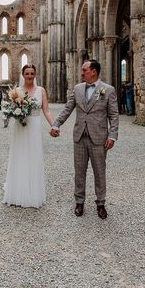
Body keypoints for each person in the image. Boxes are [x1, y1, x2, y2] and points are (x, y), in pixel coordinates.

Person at [51, 60, 119, 219]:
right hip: (80, 137)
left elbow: (114, 116)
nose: (82, 73)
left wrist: (112, 135)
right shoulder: (77, 88)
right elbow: (68, 109)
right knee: (79, 171)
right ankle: (79, 202)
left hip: (99, 138)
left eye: (84, 70)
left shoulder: (108, 90)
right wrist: (56, 124)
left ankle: (101, 203)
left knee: (100, 172)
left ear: (94, 71)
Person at [3, 64, 55, 208]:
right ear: (23, 74)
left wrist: (54, 125)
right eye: (27, 73)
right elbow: (12, 108)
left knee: (33, 156)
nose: (30, 76)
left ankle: (33, 193)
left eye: (32, 73)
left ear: (35, 75)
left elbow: (46, 110)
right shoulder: (17, 91)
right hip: (21, 127)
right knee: (20, 155)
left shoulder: (41, 90)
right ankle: (18, 192)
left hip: (35, 128)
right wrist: (14, 111)